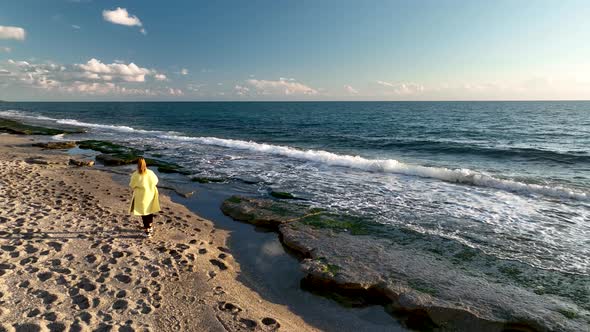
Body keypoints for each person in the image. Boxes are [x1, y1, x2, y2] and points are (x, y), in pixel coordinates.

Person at [129, 158, 160, 238]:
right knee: (150, 210)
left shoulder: (135, 174)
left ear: (137, 165)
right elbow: (156, 181)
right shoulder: (150, 172)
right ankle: (150, 226)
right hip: (151, 193)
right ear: (145, 164)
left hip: (141, 195)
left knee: (144, 213)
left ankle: (147, 230)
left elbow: (132, 185)